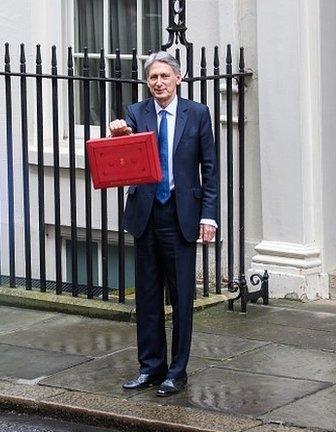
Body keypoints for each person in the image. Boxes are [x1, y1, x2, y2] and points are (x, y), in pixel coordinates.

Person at [109, 51, 218, 397]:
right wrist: (118, 135)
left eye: (164, 77)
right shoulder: (136, 113)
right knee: (148, 296)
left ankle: (177, 372)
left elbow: (210, 170)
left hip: (181, 215)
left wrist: (209, 215)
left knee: (182, 297)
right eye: (153, 77)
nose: (159, 83)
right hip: (146, 214)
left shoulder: (197, 114)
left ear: (178, 78)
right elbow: (123, 159)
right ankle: (150, 367)